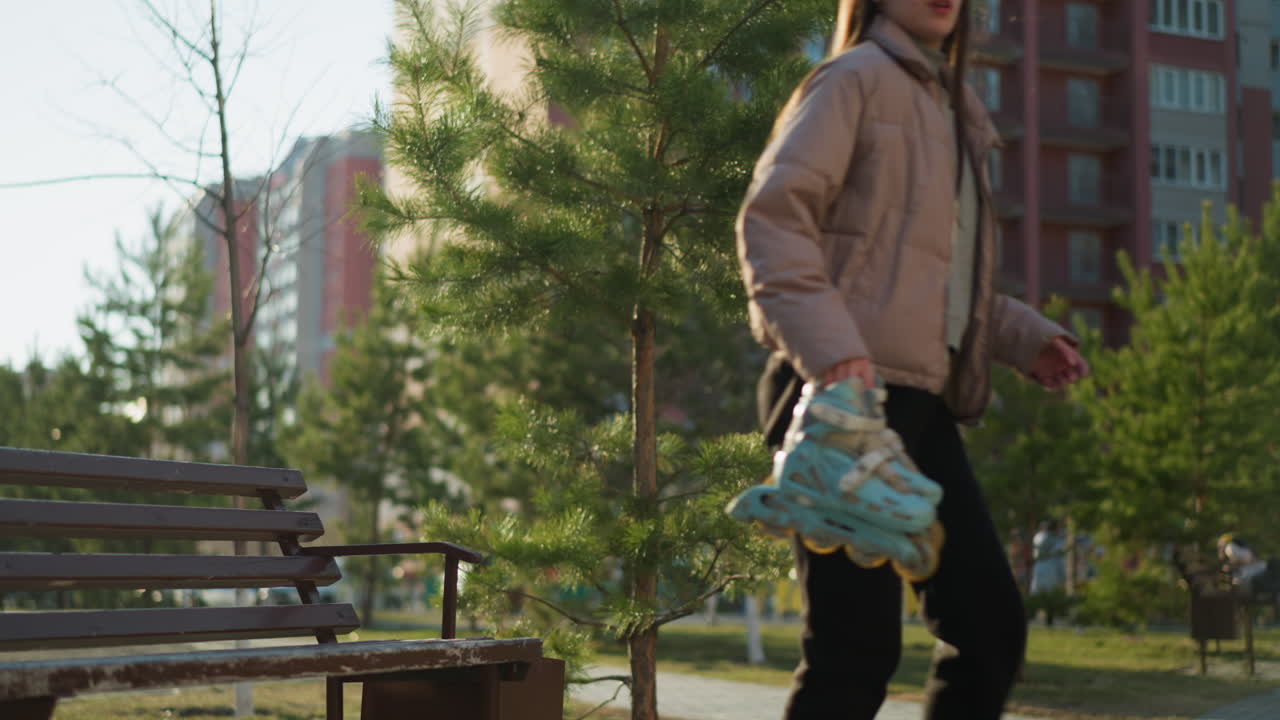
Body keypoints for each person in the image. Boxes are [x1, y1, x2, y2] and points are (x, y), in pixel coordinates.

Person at [734, 0, 1090, 717]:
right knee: (853, 651)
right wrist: (835, 357)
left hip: (918, 410)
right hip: (837, 407)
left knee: (988, 632)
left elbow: (932, 279)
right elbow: (772, 221)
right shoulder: (852, 80)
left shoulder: (951, 109)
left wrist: (1023, 338)